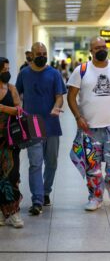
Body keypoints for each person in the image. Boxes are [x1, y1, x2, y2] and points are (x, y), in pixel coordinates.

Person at [67, 36, 110, 211]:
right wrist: (78, 117)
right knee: (93, 166)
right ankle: (95, 197)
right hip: (89, 128)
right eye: (97, 48)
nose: (101, 50)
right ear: (91, 51)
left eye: (103, 47)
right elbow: (71, 96)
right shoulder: (81, 70)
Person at [16, 42, 66, 215]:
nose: (42, 56)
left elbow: (60, 97)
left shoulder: (54, 74)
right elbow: (17, 95)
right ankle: (37, 200)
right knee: (35, 163)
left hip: (51, 123)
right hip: (33, 123)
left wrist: (56, 107)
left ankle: (46, 192)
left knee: (51, 162)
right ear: (32, 54)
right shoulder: (24, 74)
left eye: (44, 53)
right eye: (39, 53)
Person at [0, 57, 24, 228]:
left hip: (9, 139)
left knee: (12, 175)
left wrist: (2, 108)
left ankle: (14, 212)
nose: (7, 72)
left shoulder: (12, 88)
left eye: (8, 69)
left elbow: (19, 110)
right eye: (3, 70)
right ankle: (2, 212)